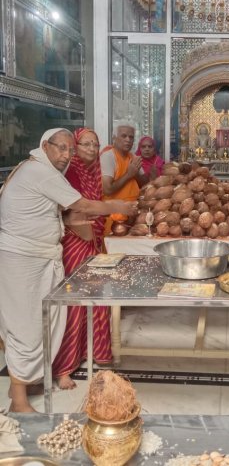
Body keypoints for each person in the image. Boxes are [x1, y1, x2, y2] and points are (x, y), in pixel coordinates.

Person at [0, 129, 136, 412]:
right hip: (22, 260)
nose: (66, 155)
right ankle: (19, 401)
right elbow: (82, 205)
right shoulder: (41, 172)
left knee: (41, 322)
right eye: (60, 148)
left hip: (38, 258)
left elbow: (60, 211)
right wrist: (117, 206)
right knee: (26, 327)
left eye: (69, 150)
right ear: (44, 146)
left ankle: (30, 380)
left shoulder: (41, 171)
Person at [53, 128, 115, 391]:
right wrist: (114, 208)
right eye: (85, 144)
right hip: (76, 243)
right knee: (75, 303)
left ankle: (94, 352)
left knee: (97, 298)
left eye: (95, 144)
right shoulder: (71, 173)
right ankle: (63, 367)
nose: (91, 149)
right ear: (76, 147)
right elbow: (74, 209)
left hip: (93, 240)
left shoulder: (94, 171)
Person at [101, 123, 148, 235]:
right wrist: (129, 174)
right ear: (114, 138)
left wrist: (135, 174)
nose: (128, 140)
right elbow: (107, 189)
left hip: (133, 216)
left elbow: (145, 184)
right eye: (123, 136)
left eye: (131, 137)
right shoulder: (108, 157)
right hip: (114, 217)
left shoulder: (133, 158)